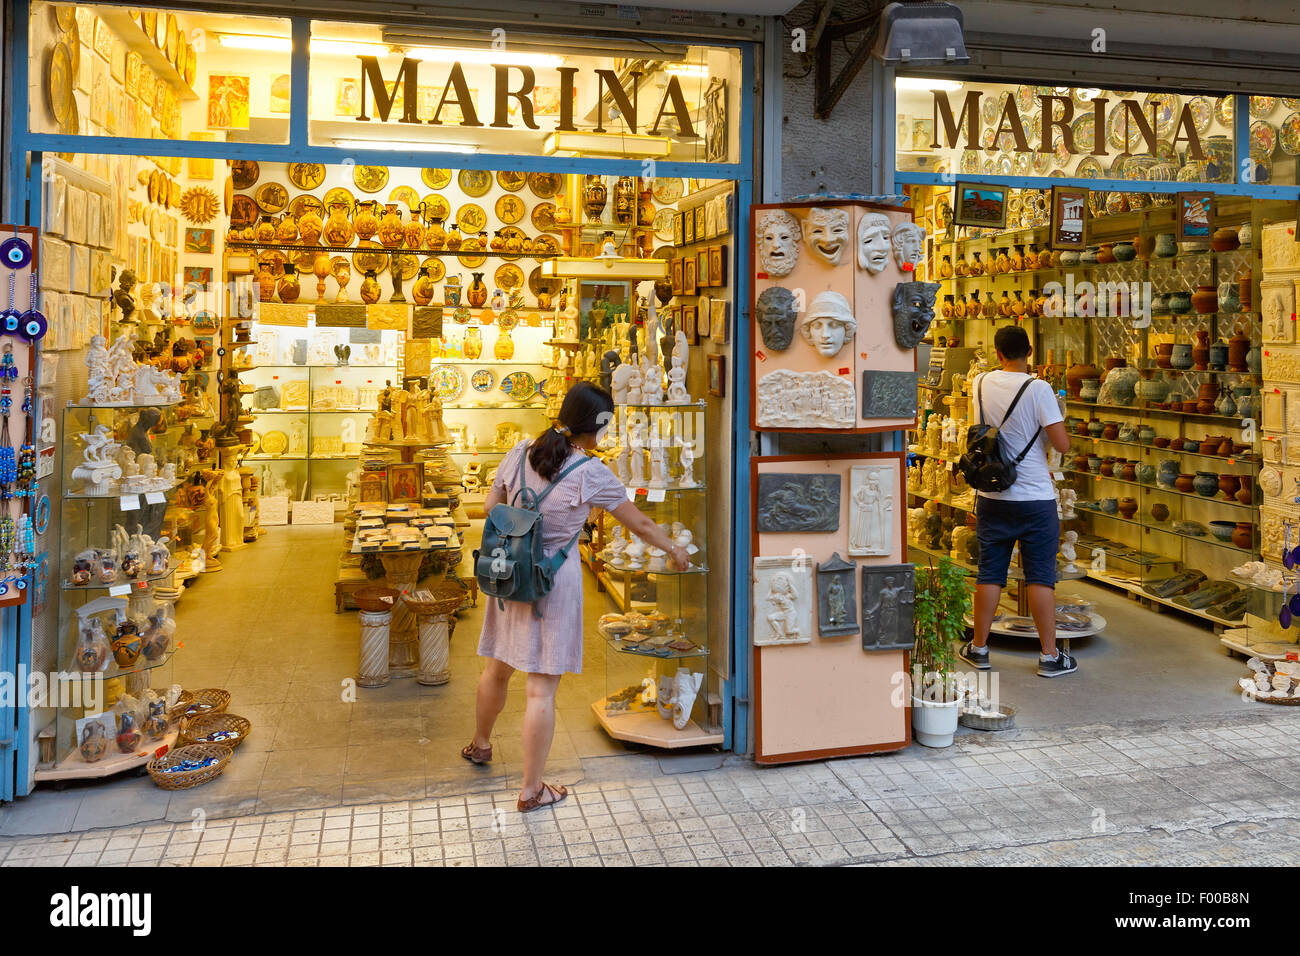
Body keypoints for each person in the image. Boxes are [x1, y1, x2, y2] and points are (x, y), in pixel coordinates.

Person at [465, 382, 690, 812]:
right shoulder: (591, 473)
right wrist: (674, 549)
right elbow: (639, 525)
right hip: (553, 584)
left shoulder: (517, 454)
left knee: (497, 670)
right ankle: (531, 790)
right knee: (540, 691)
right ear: (600, 426)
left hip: (510, 576)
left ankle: (480, 745)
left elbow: (491, 508)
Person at [958, 325, 1076, 678]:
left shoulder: (979, 383)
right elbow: (1061, 444)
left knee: (990, 571)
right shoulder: (1038, 388)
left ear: (998, 353)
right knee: (1041, 577)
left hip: (992, 494)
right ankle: (1050, 656)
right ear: (1030, 352)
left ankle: (979, 647)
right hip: (1035, 497)